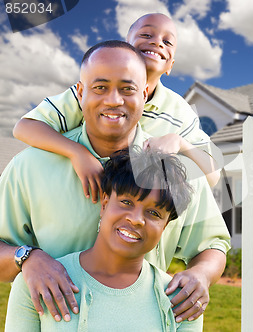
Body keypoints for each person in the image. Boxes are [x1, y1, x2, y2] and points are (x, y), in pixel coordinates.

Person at [0, 41, 230, 324]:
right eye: (100, 87)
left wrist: (201, 275)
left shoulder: (176, 173)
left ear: (144, 94)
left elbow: (213, 244)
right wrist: (27, 258)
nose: (114, 100)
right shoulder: (30, 166)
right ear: (80, 92)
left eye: (127, 88)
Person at [13, 13, 222, 202]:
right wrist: (77, 153)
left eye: (167, 41)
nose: (157, 42)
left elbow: (212, 175)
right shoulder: (91, 94)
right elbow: (25, 127)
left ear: (171, 66)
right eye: (147, 34)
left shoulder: (179, 111)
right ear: (125, 47)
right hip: (78, 197)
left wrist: (180, 143)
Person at [5, 148, 202, 331]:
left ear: (165, 227)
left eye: (154, 213)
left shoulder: (182, 300)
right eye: (126, 202)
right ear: (105, 204)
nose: (136, 219)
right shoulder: (38, 282)